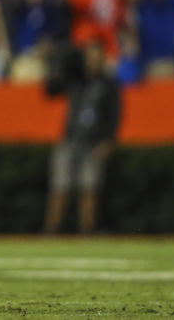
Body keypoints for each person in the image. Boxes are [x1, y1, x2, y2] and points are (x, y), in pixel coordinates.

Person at [43, 40, 122, 234]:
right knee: (60, 186)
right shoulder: (75, 79)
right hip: (70, 139)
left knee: (89, 188)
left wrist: (108, 140)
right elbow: (51, 90)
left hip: (93, 142)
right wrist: (57, 62)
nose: (94, 62)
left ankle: (87, 230)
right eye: (90, 57)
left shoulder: (108, 84)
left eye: (97, 57)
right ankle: (52, 229)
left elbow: (114, 115)